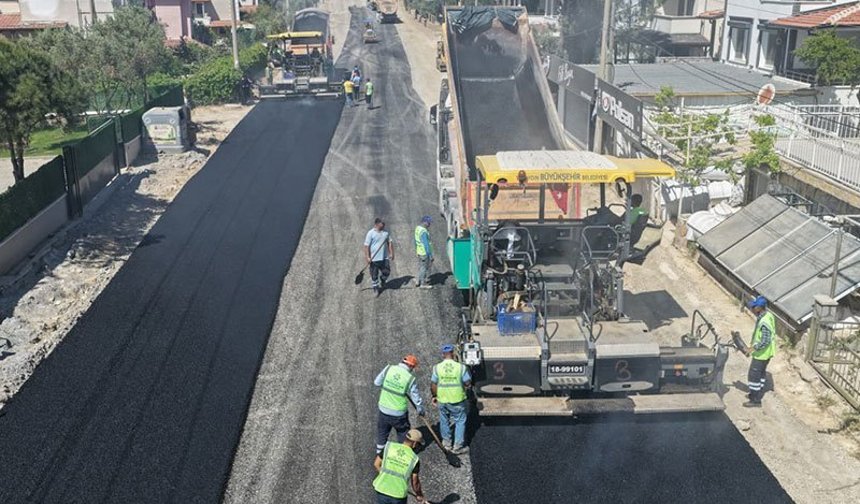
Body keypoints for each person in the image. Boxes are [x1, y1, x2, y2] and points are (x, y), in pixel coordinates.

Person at [374, 355, 425, 455]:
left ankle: (380, 456)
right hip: (398, 413)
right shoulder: (410, 379)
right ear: (411, 367)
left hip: (383, 409)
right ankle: (402, 456)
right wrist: (420, 410)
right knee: (403, 433)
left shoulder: (388, 368)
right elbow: (416, 399)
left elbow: (377, 382)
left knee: (382, 434)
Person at [431, 344, 472, 454]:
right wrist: (467, 386)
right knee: (460, 421)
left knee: (444, 421)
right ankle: (457, 446)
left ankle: (446, 444)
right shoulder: (460, 367)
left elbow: (433, 384)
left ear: (443, 355)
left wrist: (435, 396)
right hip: (457, 400)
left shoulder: (437, 367)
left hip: (442, 400)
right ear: (453, 353)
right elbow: (467, 382)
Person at [373, 429, 426, 504]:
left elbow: (376, 464)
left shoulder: (389, 447)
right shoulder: (414, 459)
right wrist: (419, 494)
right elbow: (415, 482)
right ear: (414, 443)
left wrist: (385, 475)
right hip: (398, 495)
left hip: (382, 489)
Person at [743, 296, 777, 408]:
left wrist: (752, 349)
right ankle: (758, 392)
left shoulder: (764, 321)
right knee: (761, 373)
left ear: (758, 308)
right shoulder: (768, 315)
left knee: (753, 376)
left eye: (753, 307)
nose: (751, 309)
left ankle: (755, 400)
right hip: (766, 353)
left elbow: (765, 340)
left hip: (762, 354)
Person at [365, 217, 393, 296]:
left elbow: (390, 242)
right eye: (382, 224)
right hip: (374, 259)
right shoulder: (370, 233)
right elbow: (366, 246)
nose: (384, 225)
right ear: (377, 224)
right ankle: (376, 288)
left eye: (384, 224)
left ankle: (383, 280)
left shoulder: (386, 233)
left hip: (384, 258)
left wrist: (391, 253)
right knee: (374, 275)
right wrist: (367, 257)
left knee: (387, 272)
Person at [414, 216, 433, 289]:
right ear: (424, 222)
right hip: (424, 253)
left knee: (421, 267)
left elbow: (415, 241)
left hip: (419, 251)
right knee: (424, 268)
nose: (429, 224)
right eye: (428, 222)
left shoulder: (417, 229)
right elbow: (426, 245)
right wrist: (430, 255)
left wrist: (416, 250)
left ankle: (418, 281)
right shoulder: (424, 232)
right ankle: (423, 283)